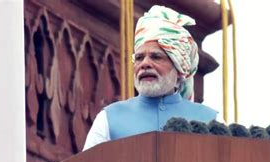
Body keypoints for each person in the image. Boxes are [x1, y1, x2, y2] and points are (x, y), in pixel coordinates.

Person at [83, 5, 218, 150]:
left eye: (156, 57)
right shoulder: (108, 119)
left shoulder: (211, 121)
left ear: (179, 68)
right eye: (139, 58)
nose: (145, 64)